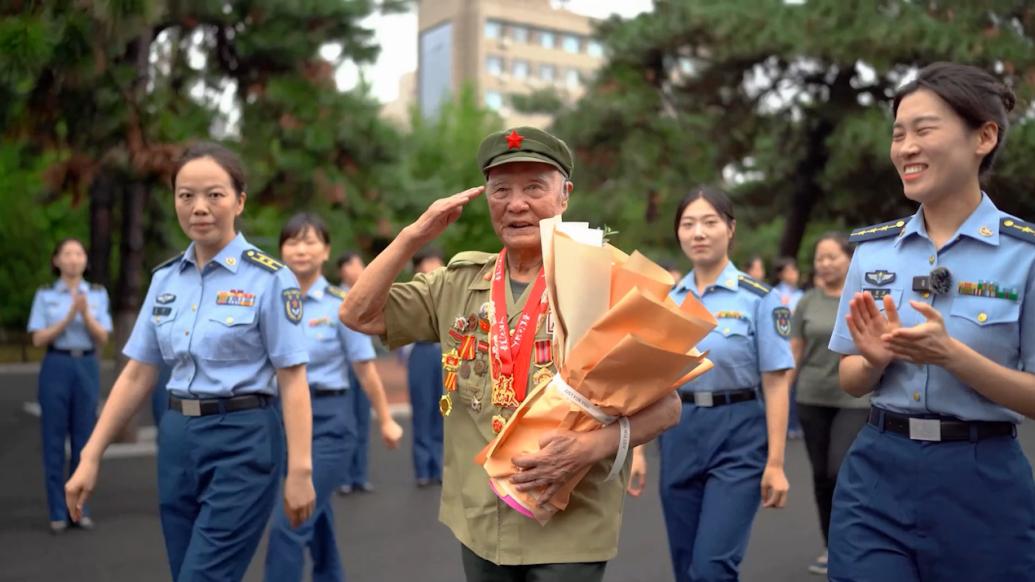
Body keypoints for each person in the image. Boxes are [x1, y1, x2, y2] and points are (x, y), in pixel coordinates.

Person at [339, 126, 681, 582]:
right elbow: (358, 314)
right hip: (480, 519)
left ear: (565, 195)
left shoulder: (609, 280)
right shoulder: (457, 282)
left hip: (569, 522)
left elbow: (667, 406)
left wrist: (588, 447)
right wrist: (412, 237)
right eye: (501, 190)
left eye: (534, 188)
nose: (516, 204)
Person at [64, 142, 316, 582]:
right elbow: (139, 372)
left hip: (243, 440)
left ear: (239, 201)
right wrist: (90, 455)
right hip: (177, 439)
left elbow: (293, 380)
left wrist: (300, 470)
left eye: (214, 194)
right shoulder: (165, 280)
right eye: (186, 195)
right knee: (186, 573)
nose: (200, 207)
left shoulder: (270, 279)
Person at [828, 62, 1035, 581]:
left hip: (982, 481)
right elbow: (850, 379)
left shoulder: (1025, 255)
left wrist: (953, 356)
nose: (906, 148)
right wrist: (873, 362)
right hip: (877, 469)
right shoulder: (873, 252)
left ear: (983, 136)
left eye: (924, 129)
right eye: (898, 134)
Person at [634, 186, 793, 582]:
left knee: (712, 566)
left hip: (738, 433)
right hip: (678, 430)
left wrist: (775, 463)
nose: (698, 233)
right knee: (685, 562)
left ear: (730, 228)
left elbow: (776, 383)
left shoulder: (760, 299)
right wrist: (636, 451)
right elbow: (649, 379)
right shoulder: (666, 300)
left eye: (709, 222)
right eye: (688, 224)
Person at [264, 213, 403, 582]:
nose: (301, 249)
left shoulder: (341, 305)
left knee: (289, 524)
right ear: (281, 250)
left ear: (326, 251)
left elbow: (366, 370)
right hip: (283, 423)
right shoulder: (270, 301)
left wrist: (386, 419)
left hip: (330, 422)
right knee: (316, 512)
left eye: (310, 241)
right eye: (293, 241)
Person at [789, 232, 869, 576]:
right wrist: (780, 401)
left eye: (832, 257)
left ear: (849, 259)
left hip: (854, 398)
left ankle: (855, 539)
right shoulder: (807, 301)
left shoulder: (862, 298)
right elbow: (794, 352)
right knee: (821, 476)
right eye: (820, 258)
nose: (824, 263)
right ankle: (831, 546)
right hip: (811, 396)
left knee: (840, 470)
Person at [27, 238, 112, 534]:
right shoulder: (46, 294)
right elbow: (38, 338)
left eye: (79, 254)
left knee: (84, 441)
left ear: (86, 261)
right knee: (53, 441)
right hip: (56, 365)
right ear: (57, 261)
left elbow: (103, 337)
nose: (73, 259)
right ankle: (56, 511)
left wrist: (85, 313)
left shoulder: (97, 294)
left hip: (86, 365)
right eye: (67, 254)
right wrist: (68, 316)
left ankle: (80, 509)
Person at [335, 251, 378, 495]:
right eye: (358, 263)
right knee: (344, 424)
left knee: (362, 421)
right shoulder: (335, 297)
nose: (361, 268)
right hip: (342, 369)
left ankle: (359, 475)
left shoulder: (365, 295)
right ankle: (343, 476)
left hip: (362, 367)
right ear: (344, 268)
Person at [406, 247, 446, 487]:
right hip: (421, 352)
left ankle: (441, 467)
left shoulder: (452, 291)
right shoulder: (412, 293)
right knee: (422, 411)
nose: (433, 265)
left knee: (445, 411)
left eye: (436, 259)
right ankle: (423, 469)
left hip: (444, 353)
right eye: (428, 261)